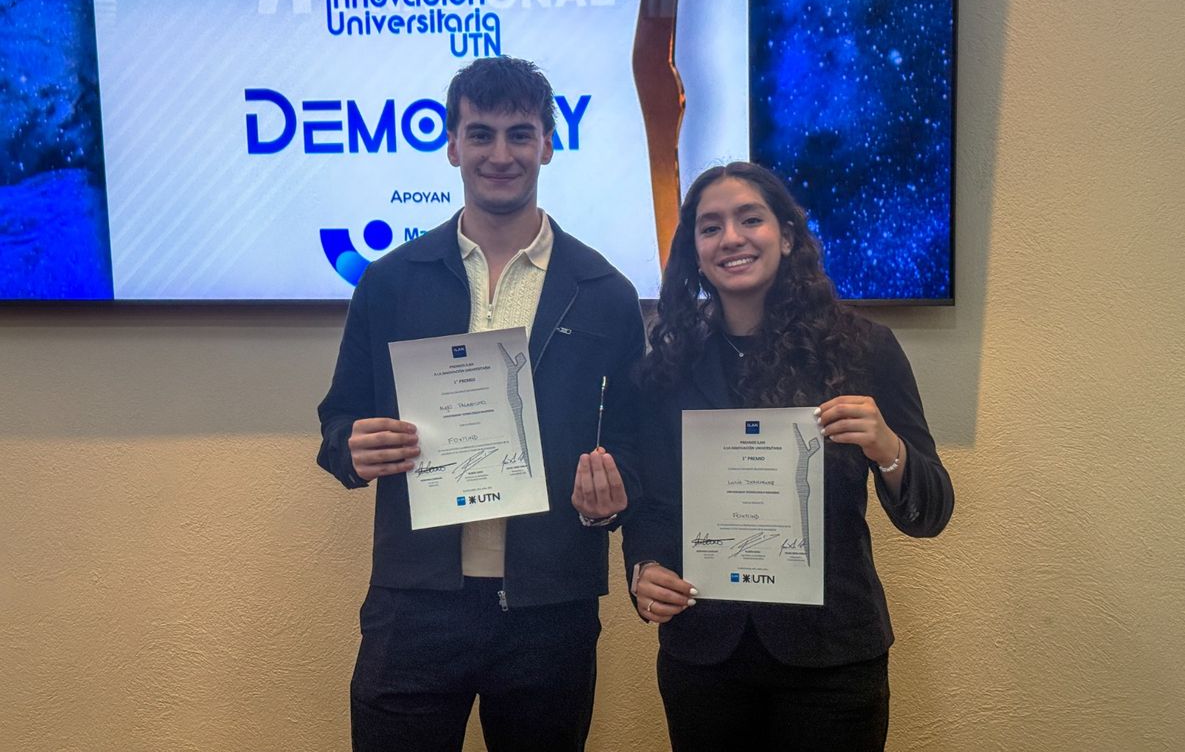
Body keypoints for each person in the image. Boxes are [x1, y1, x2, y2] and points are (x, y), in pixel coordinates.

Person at [316, 56, 644, 752]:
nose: (501, 155)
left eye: (520, 134)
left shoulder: (603, 292)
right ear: (451, 144)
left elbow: (636, 449)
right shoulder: (391, 281)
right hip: (414, 602)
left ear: (549, 144)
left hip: (548, 610)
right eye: (482, 134)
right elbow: (337, 421)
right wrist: (352, 447)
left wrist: (613, 496)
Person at [622, 161, 954, 751]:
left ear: (788, 236)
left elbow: (930, 512)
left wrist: (889, 448)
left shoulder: (862, 348)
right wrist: (644, 569)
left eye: (751, 219)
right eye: (710, 227)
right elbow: (650, 502)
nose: (731, 238)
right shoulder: (670, 362)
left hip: (831, 660)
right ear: (694, 251)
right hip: (705, 656)